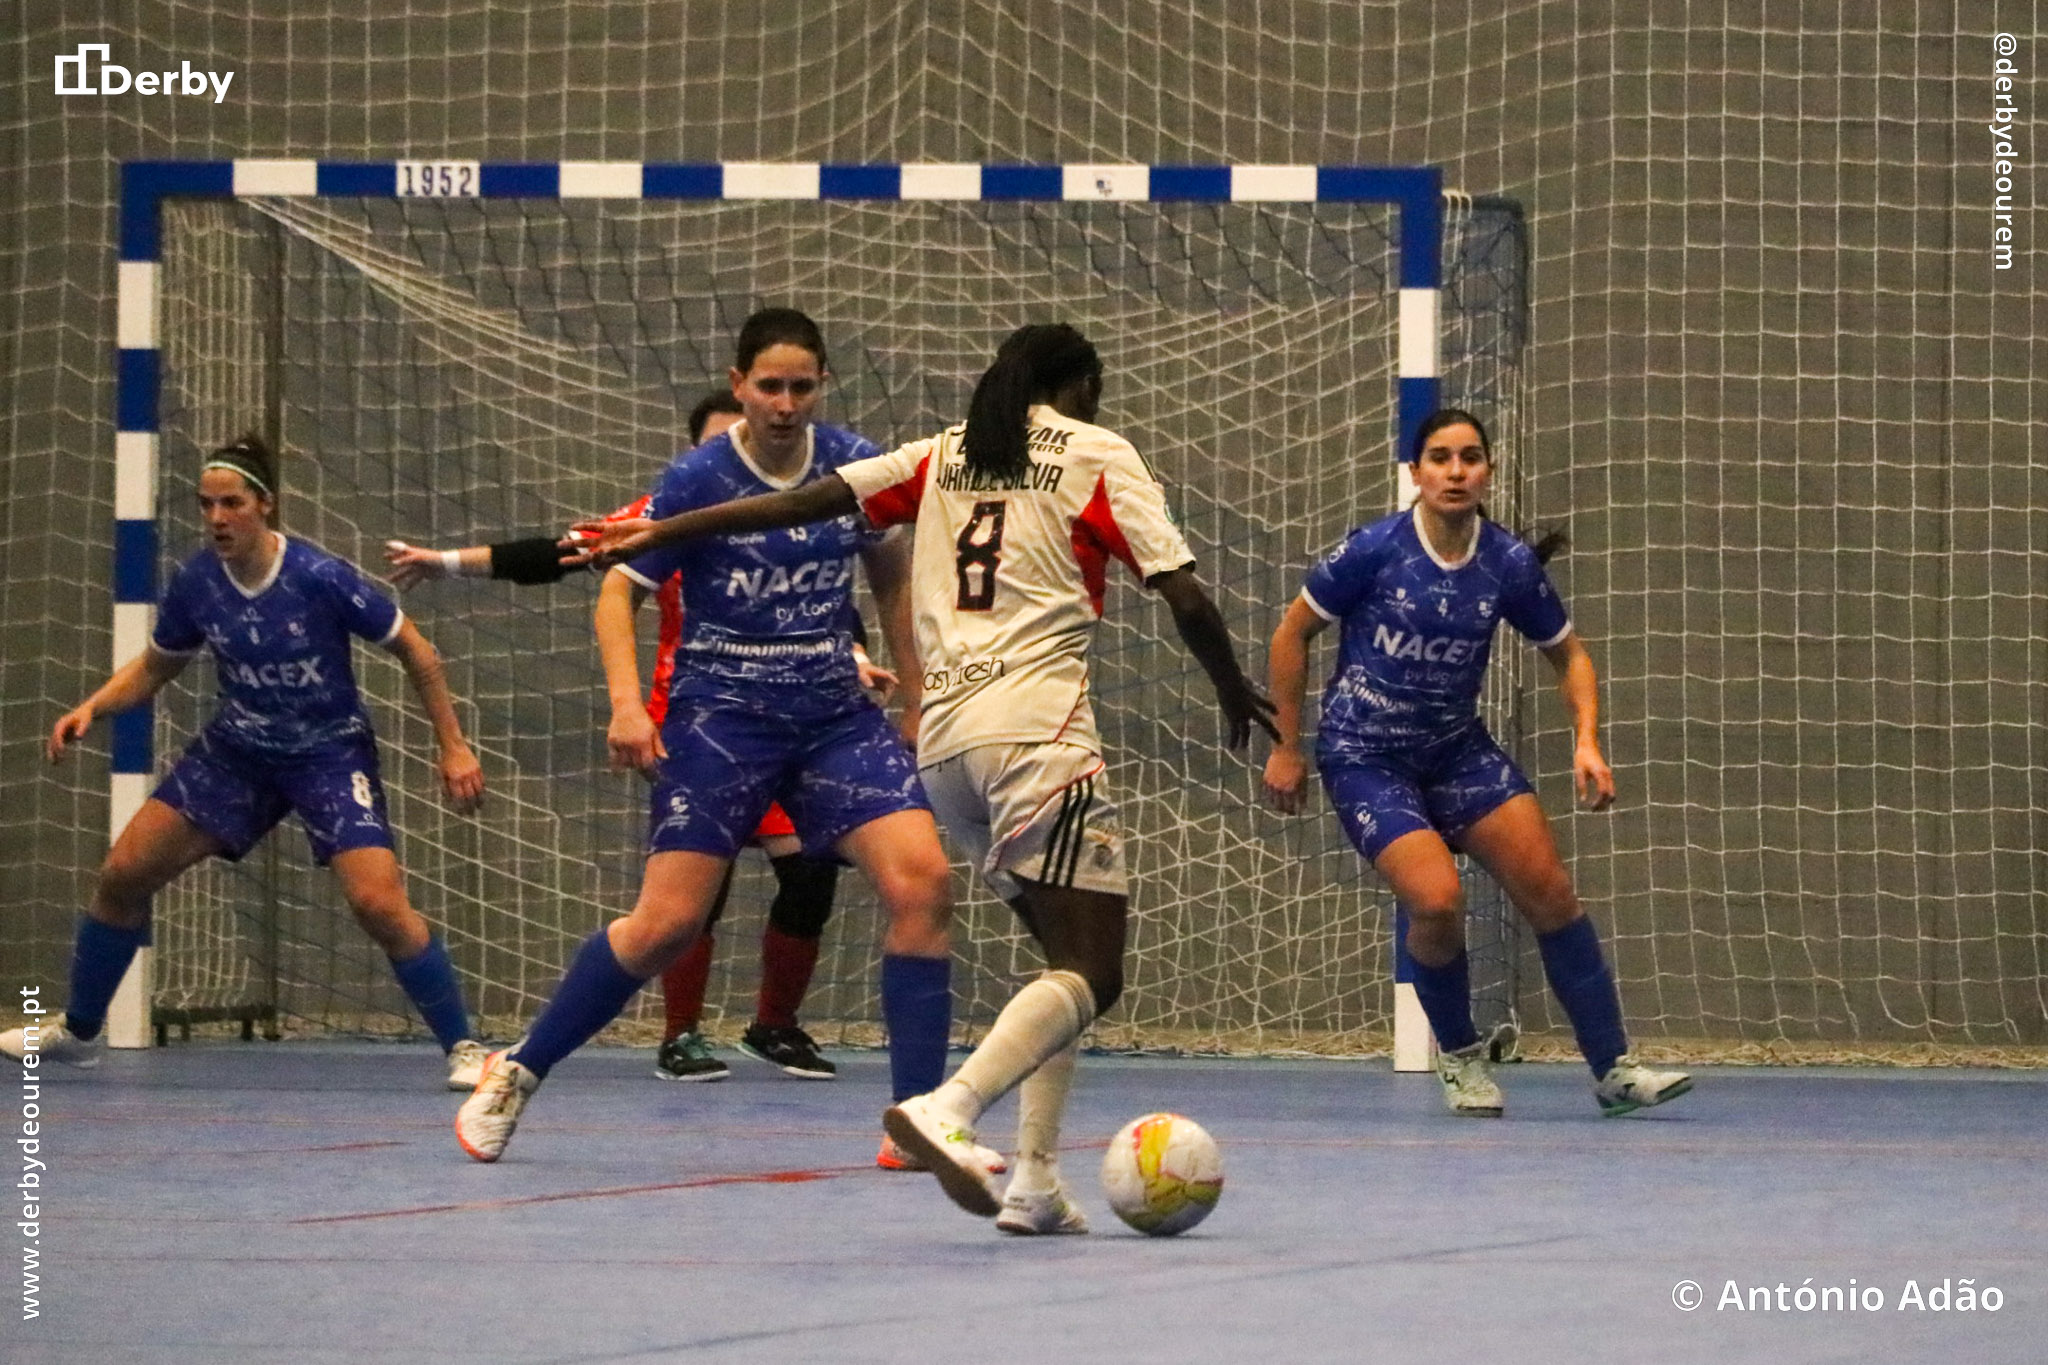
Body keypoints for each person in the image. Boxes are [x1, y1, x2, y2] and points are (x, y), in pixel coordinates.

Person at [571, 323, 1275, 1233]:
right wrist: (1232, 686)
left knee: (1059, 969)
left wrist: (666, 528)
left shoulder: (940, 453)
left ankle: (1034, 1182)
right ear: (1082, 386)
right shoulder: (1094, 451)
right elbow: (1182, 589)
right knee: (1095, 972)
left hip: (946, 745)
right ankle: (949, 1105)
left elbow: (799, 505)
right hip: (1036, 734)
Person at [455, 308, 988, 1170]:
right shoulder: (698, 478)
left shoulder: (854, 465)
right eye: (769, 386)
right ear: (739, 385)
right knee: (666, 924)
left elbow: (891, 571)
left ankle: (918, 1119)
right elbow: (617, 589)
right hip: (722, 715)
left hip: (831, 714)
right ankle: (518, 1069)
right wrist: (628, 705)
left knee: (924, 882)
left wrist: (918, 692)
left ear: (822, 385)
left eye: (802, 386)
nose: (785, 403)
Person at [385, 391, 880, 1085]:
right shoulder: (663, 516)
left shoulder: (799, 511)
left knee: (809, 870)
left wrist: (857, 658)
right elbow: (560, 552)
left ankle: (775, 1025)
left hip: (792, 712)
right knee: (692, 892)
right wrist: (444, 560)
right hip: (702, 718)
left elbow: (827, 607)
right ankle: (680, 1033)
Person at [0, 436, 488, 1089]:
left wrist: (453, 745)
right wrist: (95, 706)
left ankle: (467, 1048)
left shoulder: (320, 577)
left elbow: (418, 652)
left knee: (377, 902)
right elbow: (157, 666)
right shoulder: (198, 583)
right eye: (206, 504)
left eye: (231, 503)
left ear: (265, 504)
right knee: (122, 874)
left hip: (327, 752)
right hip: (239, 752)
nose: (217, 518)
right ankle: (79, 1032)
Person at [1261, 407, 1691, 1118]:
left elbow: (1569, 654)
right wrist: (1286, 744)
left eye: (1469, 457)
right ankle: (1460, 1057)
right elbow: (1291, 632)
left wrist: (1586, 738)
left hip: (1458, 752)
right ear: (1415, 472)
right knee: (1435, 901)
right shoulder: (1374, 550)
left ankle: (1614, 1069)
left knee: (1551, 891)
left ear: (1487, 470)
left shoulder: (1506, 563)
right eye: (1440, 458)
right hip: (1368, 756)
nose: (1455, 471)